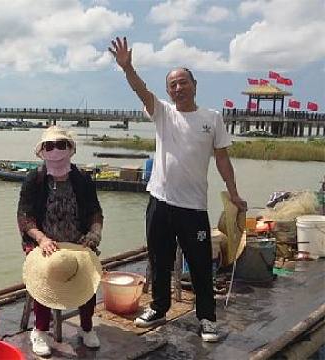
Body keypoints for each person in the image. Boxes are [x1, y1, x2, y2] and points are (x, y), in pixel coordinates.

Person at [108, 37, 247, 343]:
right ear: (169, 90)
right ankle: (158, 307)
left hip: (194, 207)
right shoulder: (163, 113)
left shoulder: (212, 119)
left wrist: (234, 193)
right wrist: (127, 67)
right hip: (160, 201)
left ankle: (207, 318)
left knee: (199, 264)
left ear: (194, 85)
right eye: (172, 85)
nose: (178, 88)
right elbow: (141, 90)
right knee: (159, 259)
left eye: (183, 82)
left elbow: (222, 159)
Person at [17, 126, 104, 356]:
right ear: (42, 152)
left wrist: (94, 235)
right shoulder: (33, 180)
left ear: (71, 149)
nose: (55, 150)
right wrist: (42, 239)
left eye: (61, 145)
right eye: (49, 146)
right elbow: (24, 217)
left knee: (89, 273)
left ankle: (86, 327)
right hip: (42, 243)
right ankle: (40, 330)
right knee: (46, 271)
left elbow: (96, 212)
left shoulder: (83, 180)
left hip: (78, 241)